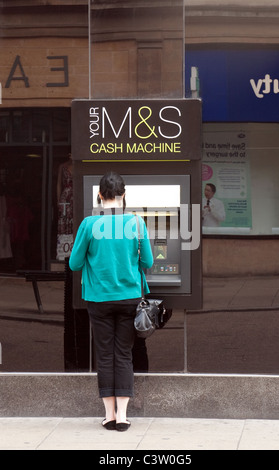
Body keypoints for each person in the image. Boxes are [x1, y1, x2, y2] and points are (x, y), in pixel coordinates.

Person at [69, 172, 153, 432]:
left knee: (105, 355)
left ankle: (109, 415)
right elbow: (148, 262)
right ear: (124, 195)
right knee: (124, 355)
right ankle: (124, 416)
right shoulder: (136, 223)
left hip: (99, 299)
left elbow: (74, 263)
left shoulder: (89, 224)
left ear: (99, 196)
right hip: (129, 298)